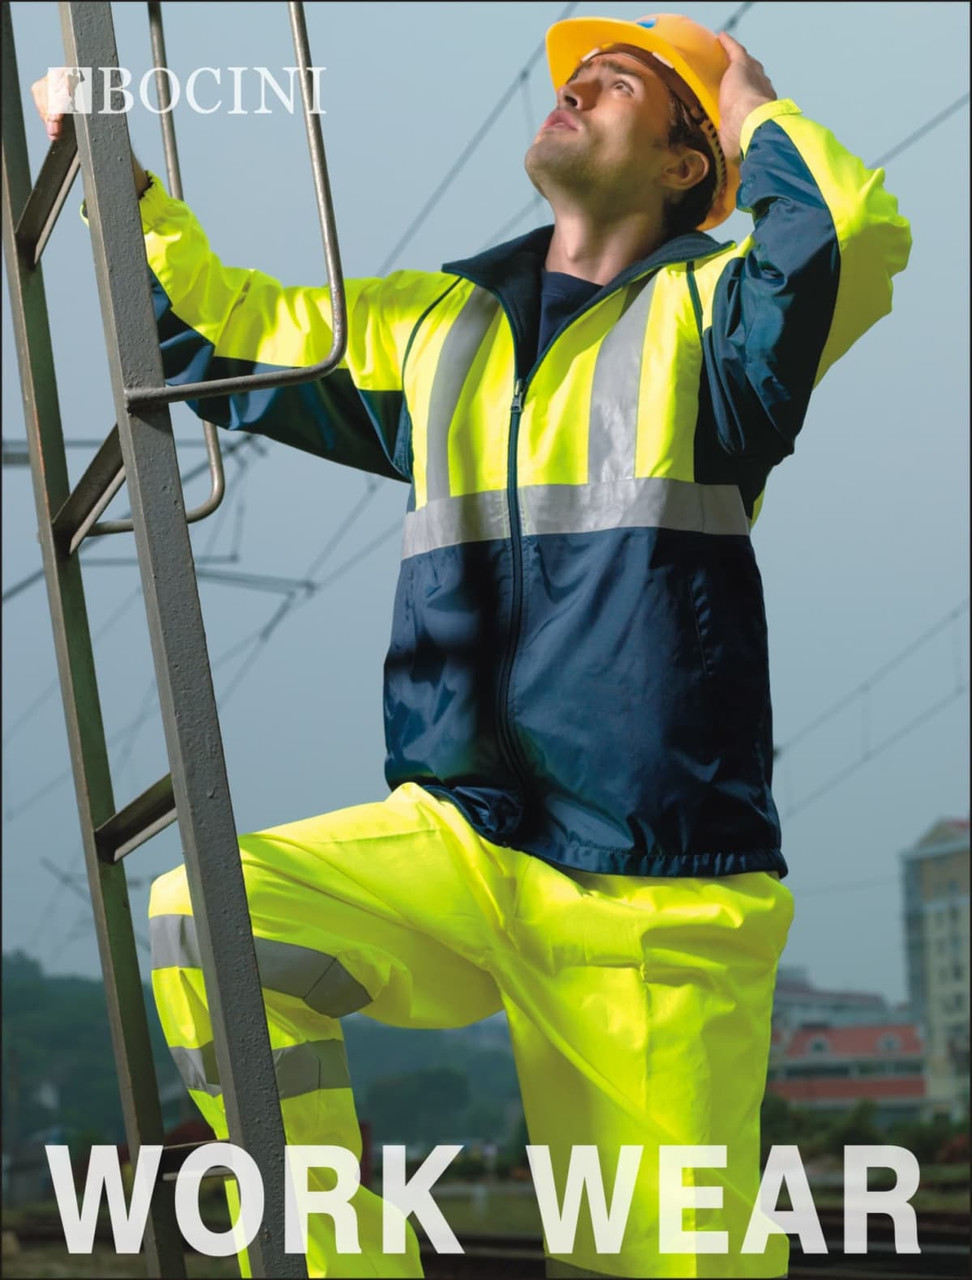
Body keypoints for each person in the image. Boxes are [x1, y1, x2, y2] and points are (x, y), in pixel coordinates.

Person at [36, 12, 911, 1279]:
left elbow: (842, 235)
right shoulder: (437, 322)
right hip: (462, 836)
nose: (575, 91)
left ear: (684, 164)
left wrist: (753, 105)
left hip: (654, 889)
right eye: (573, 79)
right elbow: (212, 332)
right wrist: (121, 185)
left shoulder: (721, 326)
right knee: (212, 918)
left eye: (614, 86)